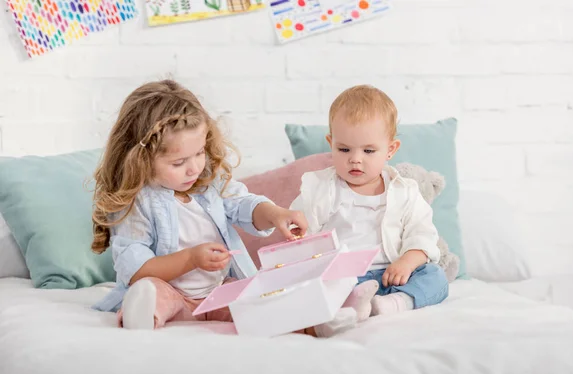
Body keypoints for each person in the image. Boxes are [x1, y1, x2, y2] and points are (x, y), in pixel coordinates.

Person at [90, 79, 307, 330]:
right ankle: (142, 315)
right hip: (174, 296)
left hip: (217, 293)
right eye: (178, 162)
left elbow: (242, 204)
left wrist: (275, 213)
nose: (194, 168)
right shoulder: (138, 203)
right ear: (141, 159)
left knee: (257, 297)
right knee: (150, 291)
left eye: (199, 153)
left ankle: (311, 322)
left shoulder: (208, 185)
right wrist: (191, 259)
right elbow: (138, 269)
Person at [291, 85, 449, 322]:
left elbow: (422, 234)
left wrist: (407, 262)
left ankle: (394, 303)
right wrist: (296, 232)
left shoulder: (404, 191)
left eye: (368, 150)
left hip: (392, 275)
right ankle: (352, 305)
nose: (355, 158)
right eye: (344, 149)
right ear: (330, 143)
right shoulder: (321, 189)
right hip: (343, 277)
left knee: (435, 276)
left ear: (390, 150)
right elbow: (301, 231)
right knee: (308, 286)